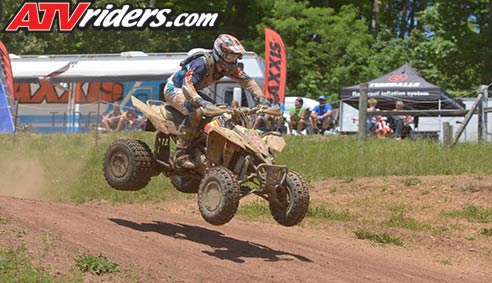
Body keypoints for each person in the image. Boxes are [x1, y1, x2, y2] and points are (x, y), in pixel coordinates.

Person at [163, 34, 268, 168]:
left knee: (222, 111)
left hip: (193, 90)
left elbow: (247, 82)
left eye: (236, 57)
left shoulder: (226, 67)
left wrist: (261, 98)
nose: (233, 60)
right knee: (196, 112)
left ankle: (205, 146)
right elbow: (187, 84)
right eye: (230, 56)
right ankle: (181, 154)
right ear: (220, 53)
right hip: (175, 89)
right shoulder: (202, 63)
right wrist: (200, 101)